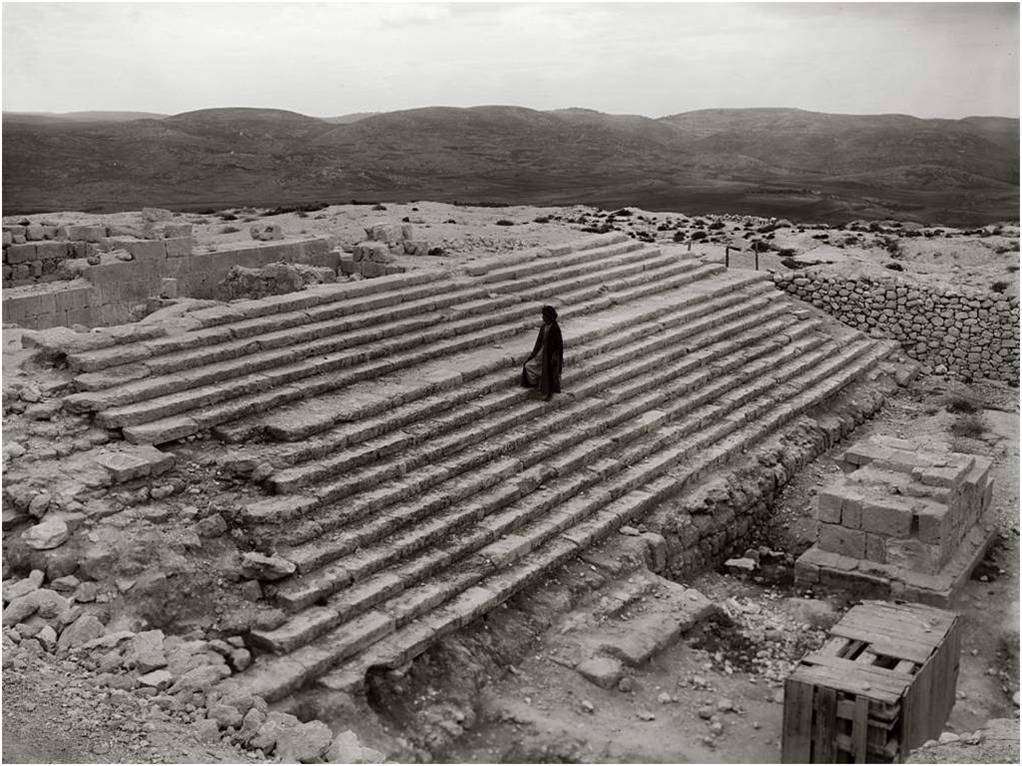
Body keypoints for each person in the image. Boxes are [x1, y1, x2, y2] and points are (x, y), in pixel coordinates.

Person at [521, 305, 563, 401]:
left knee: (548, 373)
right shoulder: (543, 327)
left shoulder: (555, 329)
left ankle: (546, 392)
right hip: (542, 352)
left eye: (544, 316)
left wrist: (555, 359)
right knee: (528, 366)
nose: (542, 317)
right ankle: (536, 383)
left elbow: (558, 346)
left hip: (550, 356)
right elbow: (538, 342)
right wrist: (533, 354)